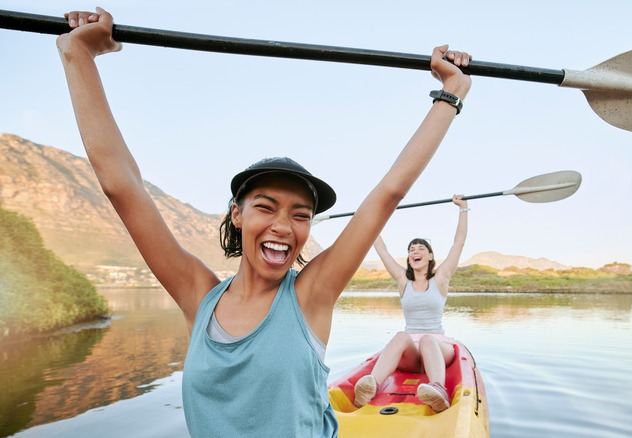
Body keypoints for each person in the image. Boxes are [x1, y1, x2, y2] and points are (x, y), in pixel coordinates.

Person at [57, 7, 472, 438]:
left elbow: (388, 194)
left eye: (300, 215)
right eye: (266, 207)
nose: (283, 226)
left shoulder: (312, 294)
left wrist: (452, 92)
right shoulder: (197, 296)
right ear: (237, 214)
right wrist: (78, 55)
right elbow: (122, 187)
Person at [353, 195, 468, 413]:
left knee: (426, 340)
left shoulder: (441, 279)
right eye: (411, 249)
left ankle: (438, 390)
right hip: (412, 355)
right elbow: (382, 250)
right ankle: (371, 386)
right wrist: (373, 215)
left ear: (430, 256)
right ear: (408, 258)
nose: (415, 251)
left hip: (437, 348)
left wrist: (463, 209)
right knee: (399, 336)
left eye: (421, 248)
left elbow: (458, 243)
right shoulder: (403, 281)